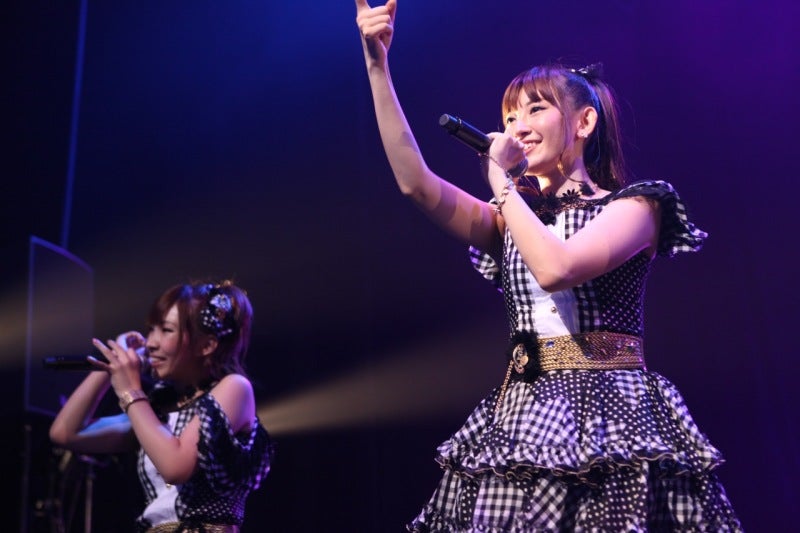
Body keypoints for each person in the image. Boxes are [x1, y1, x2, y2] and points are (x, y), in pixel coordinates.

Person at [355, 1, 743, 531]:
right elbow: (415, 184)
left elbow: (557, 268)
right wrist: (377, 65)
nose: (518, 128)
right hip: (524, 414)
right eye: (509, 118)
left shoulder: (637, 206)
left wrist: (500, 181)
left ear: (584, 122)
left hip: (612, 412)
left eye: (535, 110)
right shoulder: (512, 217)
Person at [49, 280, 274, 532]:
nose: (150, 343)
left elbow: (175, 466)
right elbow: (66, 433)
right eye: (151, 329)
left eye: (166, 330)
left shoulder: (235, 388)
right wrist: (108, 365)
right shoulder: (158, 409)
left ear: (206, 345)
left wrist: (129, 390)